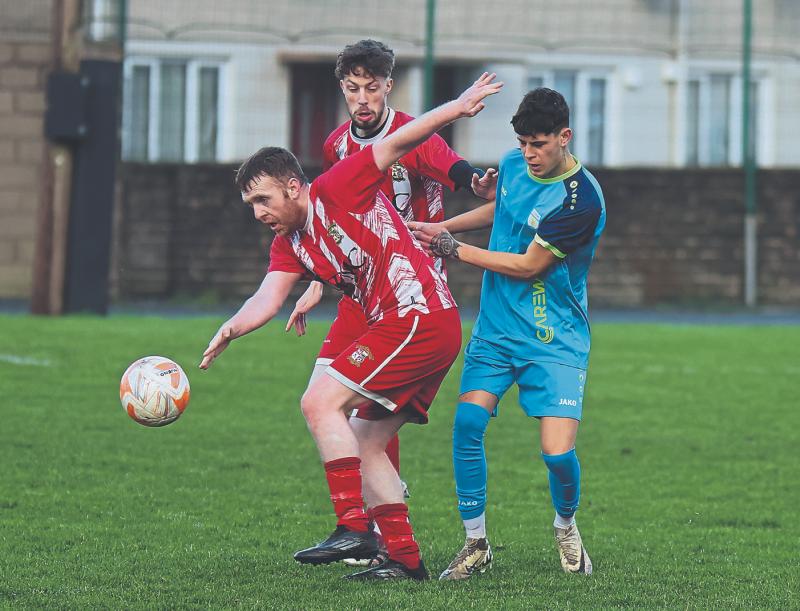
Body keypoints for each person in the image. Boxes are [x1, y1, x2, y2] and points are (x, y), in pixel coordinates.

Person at [200, 73, 503, 581]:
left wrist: (457, 106)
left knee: (319, 402)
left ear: (294, 186)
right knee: (364, 441)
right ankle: (406, 560)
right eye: (251, 205)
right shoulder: (289, 242)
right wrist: (231, 328)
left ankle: (354, 528)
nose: (258, 213)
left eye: (264, 200)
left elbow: (401, 140)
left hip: (417, 316)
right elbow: (268, 297)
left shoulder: (338, 184)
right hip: (413, 326)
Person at [285, 41, 492, 532]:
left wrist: (475, 182)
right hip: (362, 292)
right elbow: (330, 219)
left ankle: (377, 523)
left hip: (412, 289)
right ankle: (368, 520)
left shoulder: (410, 133)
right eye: (353, 88)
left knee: (369, 403)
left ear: (389, 87)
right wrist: (317, 282)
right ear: (342, 88)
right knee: (333, 397)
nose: (363, 98)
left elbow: (453, 168)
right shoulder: (336, 144)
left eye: (372, 88)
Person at [410, 87, 605, 580]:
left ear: (565, 137)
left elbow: (528, 266)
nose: (528, 154)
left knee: (557, 454)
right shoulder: (514, 166)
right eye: (521, 143)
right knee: (468, 425)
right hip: (496, 330)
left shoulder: (582, 201)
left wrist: (454, 250)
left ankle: (566, 525)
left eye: (538, 144)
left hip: (554, 337)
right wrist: (440, 229)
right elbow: (503, 211)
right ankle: (475, 544)